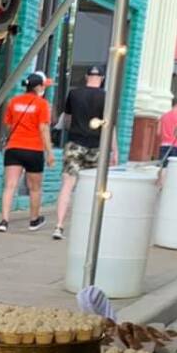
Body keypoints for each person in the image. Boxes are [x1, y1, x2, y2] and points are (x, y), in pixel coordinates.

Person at [53, 63, 112, 240]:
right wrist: (114, 150)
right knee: (93, 188)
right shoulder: (106, 97)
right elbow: (110, 125)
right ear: (102, 79)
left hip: (75, 143)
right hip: (97, 146)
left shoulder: (74, 94)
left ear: (86, 77)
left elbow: (67, 119)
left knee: (67, 185)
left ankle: (59, 226)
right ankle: (87, 228)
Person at [0, 72, 53, 233]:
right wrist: (49, 152)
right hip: (34, 149)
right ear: (38, 87)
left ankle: (4, 221)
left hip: (14, 148)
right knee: (34, 188)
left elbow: (8, 125)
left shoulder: (13, 102)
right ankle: (34, 220)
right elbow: (43, 128)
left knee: (10, 186)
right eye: (43, 86)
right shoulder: (42, 104)